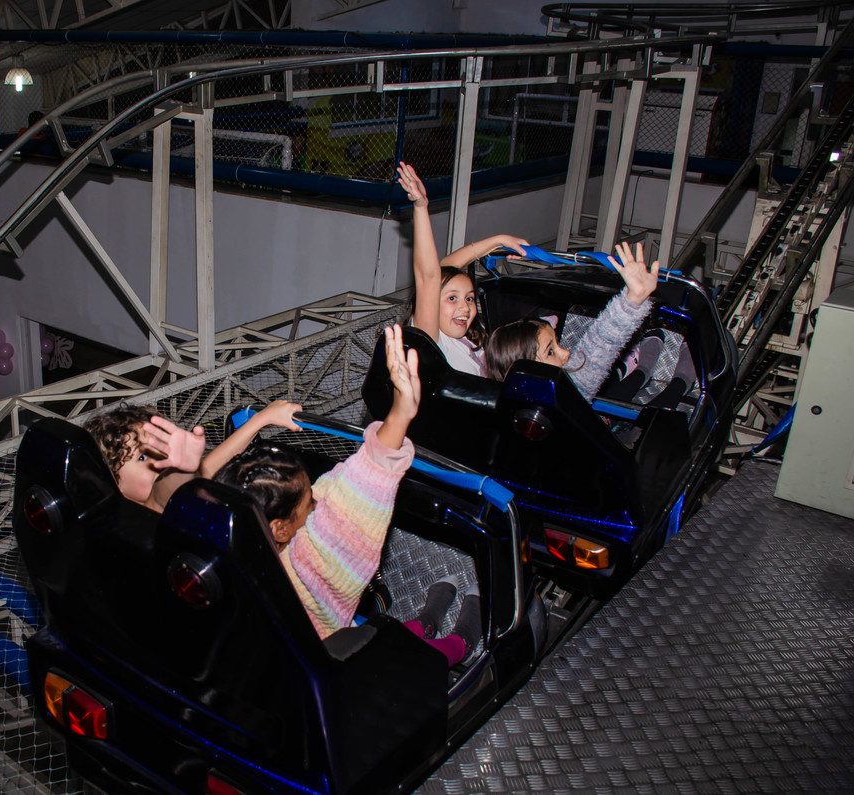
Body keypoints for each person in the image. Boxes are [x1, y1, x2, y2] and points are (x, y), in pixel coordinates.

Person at [214, 325, 474, 666]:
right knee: (419, 661)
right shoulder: (307, 564)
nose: (319, 499)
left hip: (287, 660)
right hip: (332, 661)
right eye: (310, 503)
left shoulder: (220, 550)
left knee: (389, 634)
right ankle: (463, 640)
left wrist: (259, 421)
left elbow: (205, 476)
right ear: (280, 529)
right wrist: (400, 414)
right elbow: (363, 486)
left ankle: (426, 621)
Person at [483, 241, 659, 402]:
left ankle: (623, 371)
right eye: (550, 352)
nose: (566, 353)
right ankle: (641, 372)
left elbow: (597, 349)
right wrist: (632, 300)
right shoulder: (568, 395)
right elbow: (601, 343)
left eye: (557, 343)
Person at [396, 161, 528, 376]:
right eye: (452, 298)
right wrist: (420, 208)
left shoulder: (471, 338)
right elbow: (429, 276)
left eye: (469, 298)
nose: (465, 307)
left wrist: (499, 241)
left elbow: (446, 269)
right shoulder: (433, 341)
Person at [83, 400, 303, 513]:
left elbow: (210, 466)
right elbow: (163, 497)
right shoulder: (138, 516)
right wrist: (182, 469)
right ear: (112, 482)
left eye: (160, 445)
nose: (160, 458)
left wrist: (261, 419)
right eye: (142, 457)